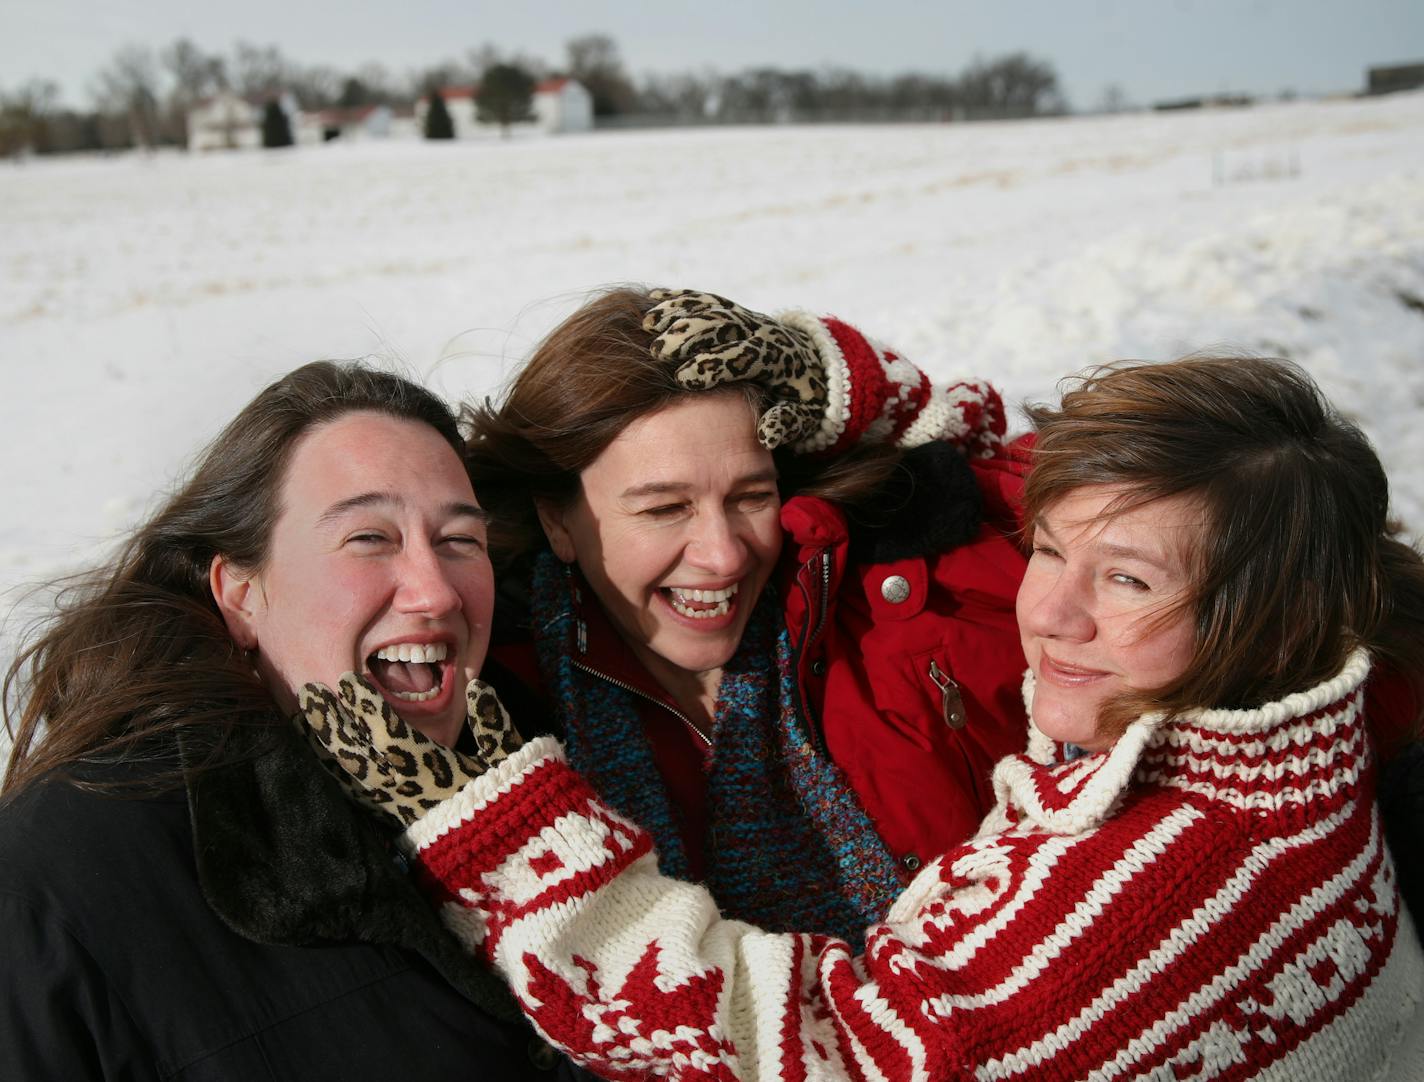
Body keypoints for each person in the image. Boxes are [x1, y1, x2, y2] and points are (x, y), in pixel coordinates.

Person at [299, 354, 1424, 1080]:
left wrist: (490, 819)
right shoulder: (1281, 743)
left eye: (1124, 582)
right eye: (1046, 552)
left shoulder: (1162, 892)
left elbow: (799, 1053)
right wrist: (837, 377)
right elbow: (1115, 483)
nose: (1050, 612)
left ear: (1268, 613)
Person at [0, 363, 589, 1080]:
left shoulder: (560, 785)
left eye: (460, 541)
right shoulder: (67, 872)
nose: (435, 591)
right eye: (369, 538)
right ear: (241, 593)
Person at [465, 287, 1031, 943]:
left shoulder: (885, 592)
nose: (724, 553)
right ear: (557, 520)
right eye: (664, 508)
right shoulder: (504, 710)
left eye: (750, 495)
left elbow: (1125, 519)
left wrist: (843, 390)